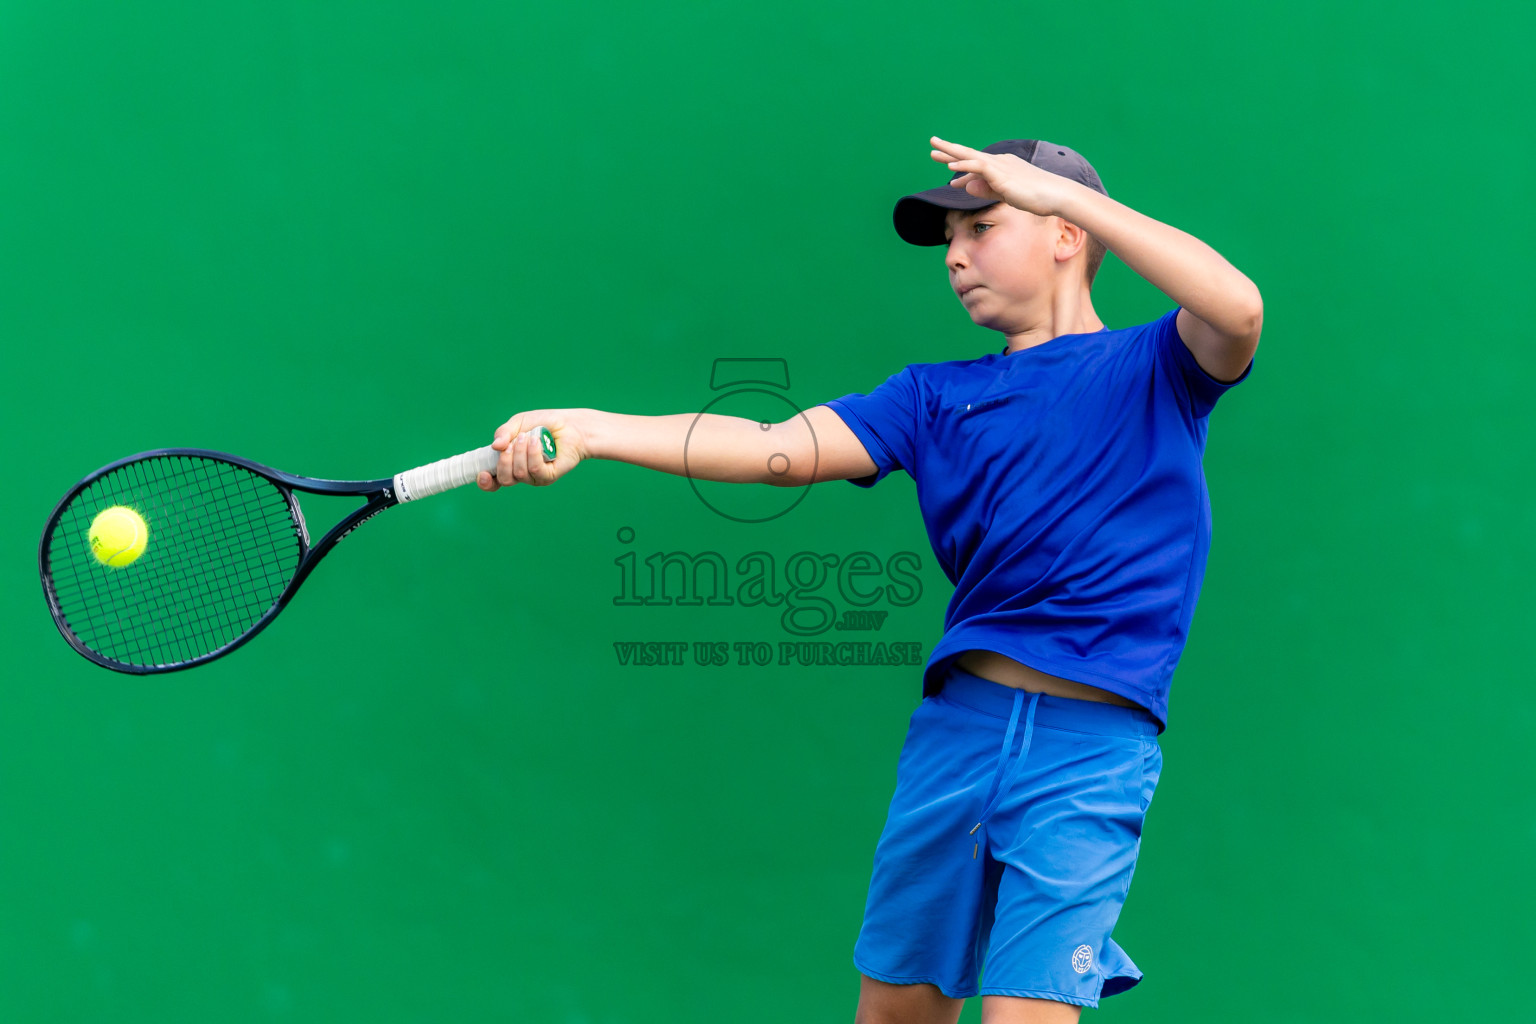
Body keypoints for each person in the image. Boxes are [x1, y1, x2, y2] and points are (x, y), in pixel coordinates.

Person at [477, 136, 1261, 1023]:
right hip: (959, 735)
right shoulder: (929, 398)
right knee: (893, 1017)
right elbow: (777, 448)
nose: (957, 255)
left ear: (1065, 233)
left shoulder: (1159, 368)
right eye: (948, 240)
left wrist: (1066, 194)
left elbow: (1237, 308)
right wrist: (591, 427)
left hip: (1090, 757)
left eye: (983, 224)